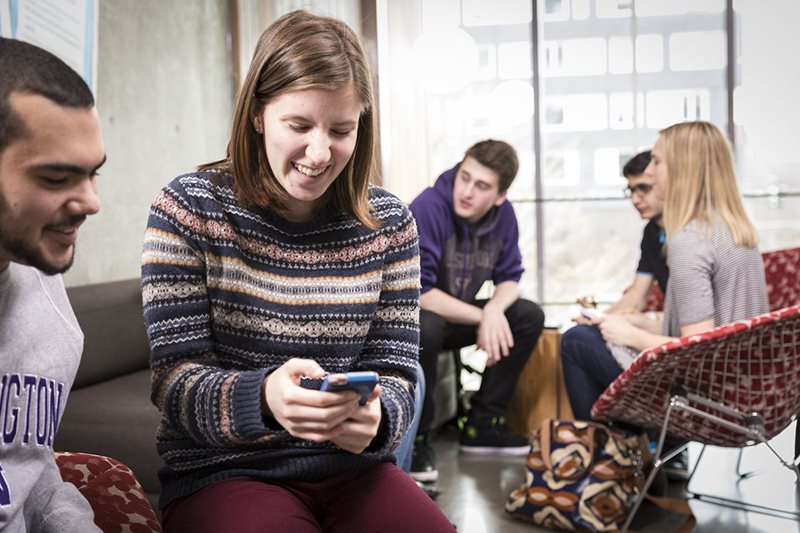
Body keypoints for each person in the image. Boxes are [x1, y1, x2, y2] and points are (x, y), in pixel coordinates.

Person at [140, 11, 453, 532]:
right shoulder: (189, 209)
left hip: (352, 471)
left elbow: (397, 373)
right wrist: (262, 397)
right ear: (259, 114)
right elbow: (174, 382)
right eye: (299, 125)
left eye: (341, 129)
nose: (319, 152)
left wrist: (379, 421)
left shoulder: (390, 223)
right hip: (225, 471)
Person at [561, 120, 768, 424]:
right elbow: (716, 329)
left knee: (576, 340)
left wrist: (630, 334)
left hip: (707, 396)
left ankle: (605, 456)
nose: (652, 170)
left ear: (682, 168)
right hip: (748, 385)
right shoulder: (734, 230)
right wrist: (643, 323)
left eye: (657, 161)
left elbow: (696, 348)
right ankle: (630, 452)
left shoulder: (689, 240)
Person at [0, 37, 106, 531]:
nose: (90, 202)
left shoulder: (46, 292)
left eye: (92, 174)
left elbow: (25, 465)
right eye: (57, 177)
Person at [408, 139, 545, 483]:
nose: (466, 191)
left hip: (457, 317)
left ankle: (482, 425)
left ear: (500, 196)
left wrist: (496, 309)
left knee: (528, 315)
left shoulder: (504, 216)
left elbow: (511, 276)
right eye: (464, 177)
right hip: (421, 317)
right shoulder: (428, 206)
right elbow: (419, 293)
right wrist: (485, 316)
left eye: (481, 185)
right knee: (427, 323)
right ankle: (417, 438)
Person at [574, 150, 668, 323]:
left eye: (644, 189)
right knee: (580, 333)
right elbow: (637, 296)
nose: (635, 200)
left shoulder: (689, 234)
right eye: (631, 190)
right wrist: (599, 317)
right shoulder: (651, 232)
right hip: (666, 324)